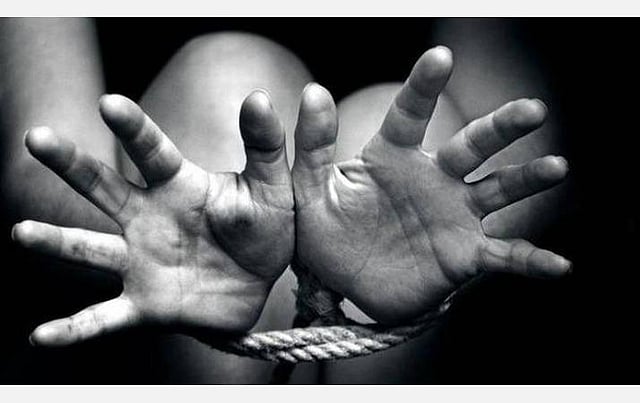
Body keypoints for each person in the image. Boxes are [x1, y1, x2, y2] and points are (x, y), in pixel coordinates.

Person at [0, 18, 570, 383]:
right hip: (173, 193)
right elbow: (36, 161)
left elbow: (528, 140)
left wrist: (453, 230)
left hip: (400, 211)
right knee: (223, 82)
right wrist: (150, 233)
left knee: (410, 132)